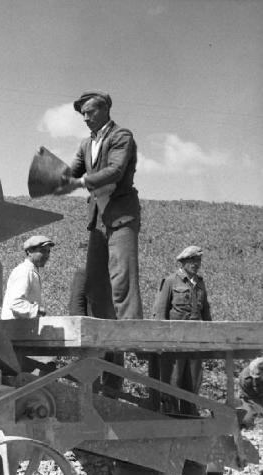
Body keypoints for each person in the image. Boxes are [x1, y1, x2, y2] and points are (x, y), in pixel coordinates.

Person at [54, 90, 143, 321]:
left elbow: (115, 170)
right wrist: (52, 176)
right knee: (95, 283)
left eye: (89, 112)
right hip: (98, 219)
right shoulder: (86, 144)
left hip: (121, 215)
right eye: (82, 114)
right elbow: (70, 172)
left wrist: (81, 181)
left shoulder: (121, 136)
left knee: (122, 278)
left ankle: (130, 331)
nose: (85, 118)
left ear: (104, 110)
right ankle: (106, 337)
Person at [151, 245, 211, 414]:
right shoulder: (171, 281)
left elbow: (206, 314)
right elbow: (160, 313)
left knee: (193, 384)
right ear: (183, 263)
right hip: (174, 345)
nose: (196, 264)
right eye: (192, 261)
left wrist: (210, 339)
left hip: (194, 345)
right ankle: (170, 418)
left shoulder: (200, 283)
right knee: (172, 383)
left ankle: (190, 419)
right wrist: (160, 342)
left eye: (198, 261)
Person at [1, 235, 54, 319]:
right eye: (43, 251)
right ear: (29, 252)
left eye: (48, 251)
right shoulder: (24, 272)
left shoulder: (31, 272)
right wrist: (37, 310)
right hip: (14, 328)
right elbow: (16, 303)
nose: (47, 255)